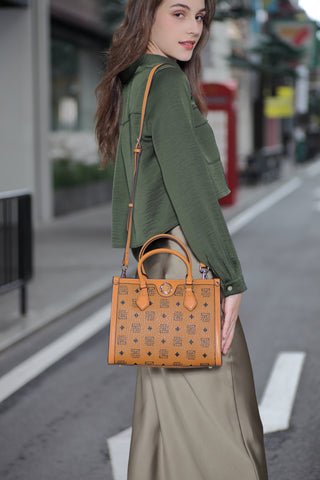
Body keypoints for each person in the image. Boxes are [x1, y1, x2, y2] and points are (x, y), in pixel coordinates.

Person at [95, 1, 268, 478]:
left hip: (158, 271)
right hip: (188, 267)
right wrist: (231, 281)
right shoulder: (166, 83)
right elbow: (191, 194)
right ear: (145, 14)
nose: (194, 27)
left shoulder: (135, 79)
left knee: (165, 430)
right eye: (179, 12)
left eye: (201, 15)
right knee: (226, 427)